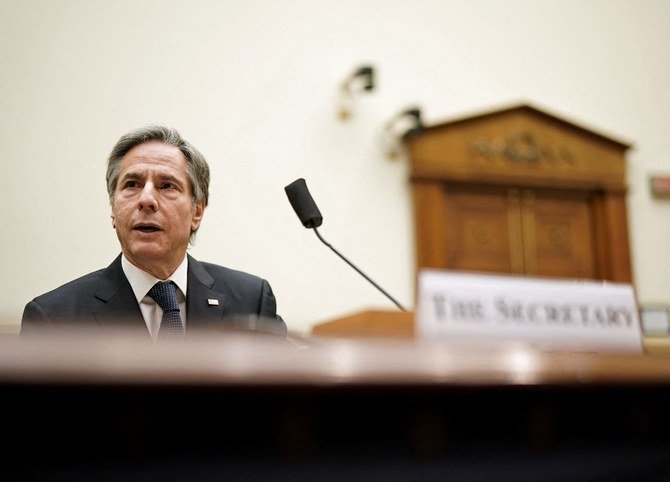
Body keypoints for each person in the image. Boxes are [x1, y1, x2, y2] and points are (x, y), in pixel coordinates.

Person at [21, 125, 285, 339]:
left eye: (167, 185)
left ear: (197, 211)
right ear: (113, 208)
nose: (146, 199)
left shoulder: (251, 300)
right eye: (132, 184)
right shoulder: (54, 319)